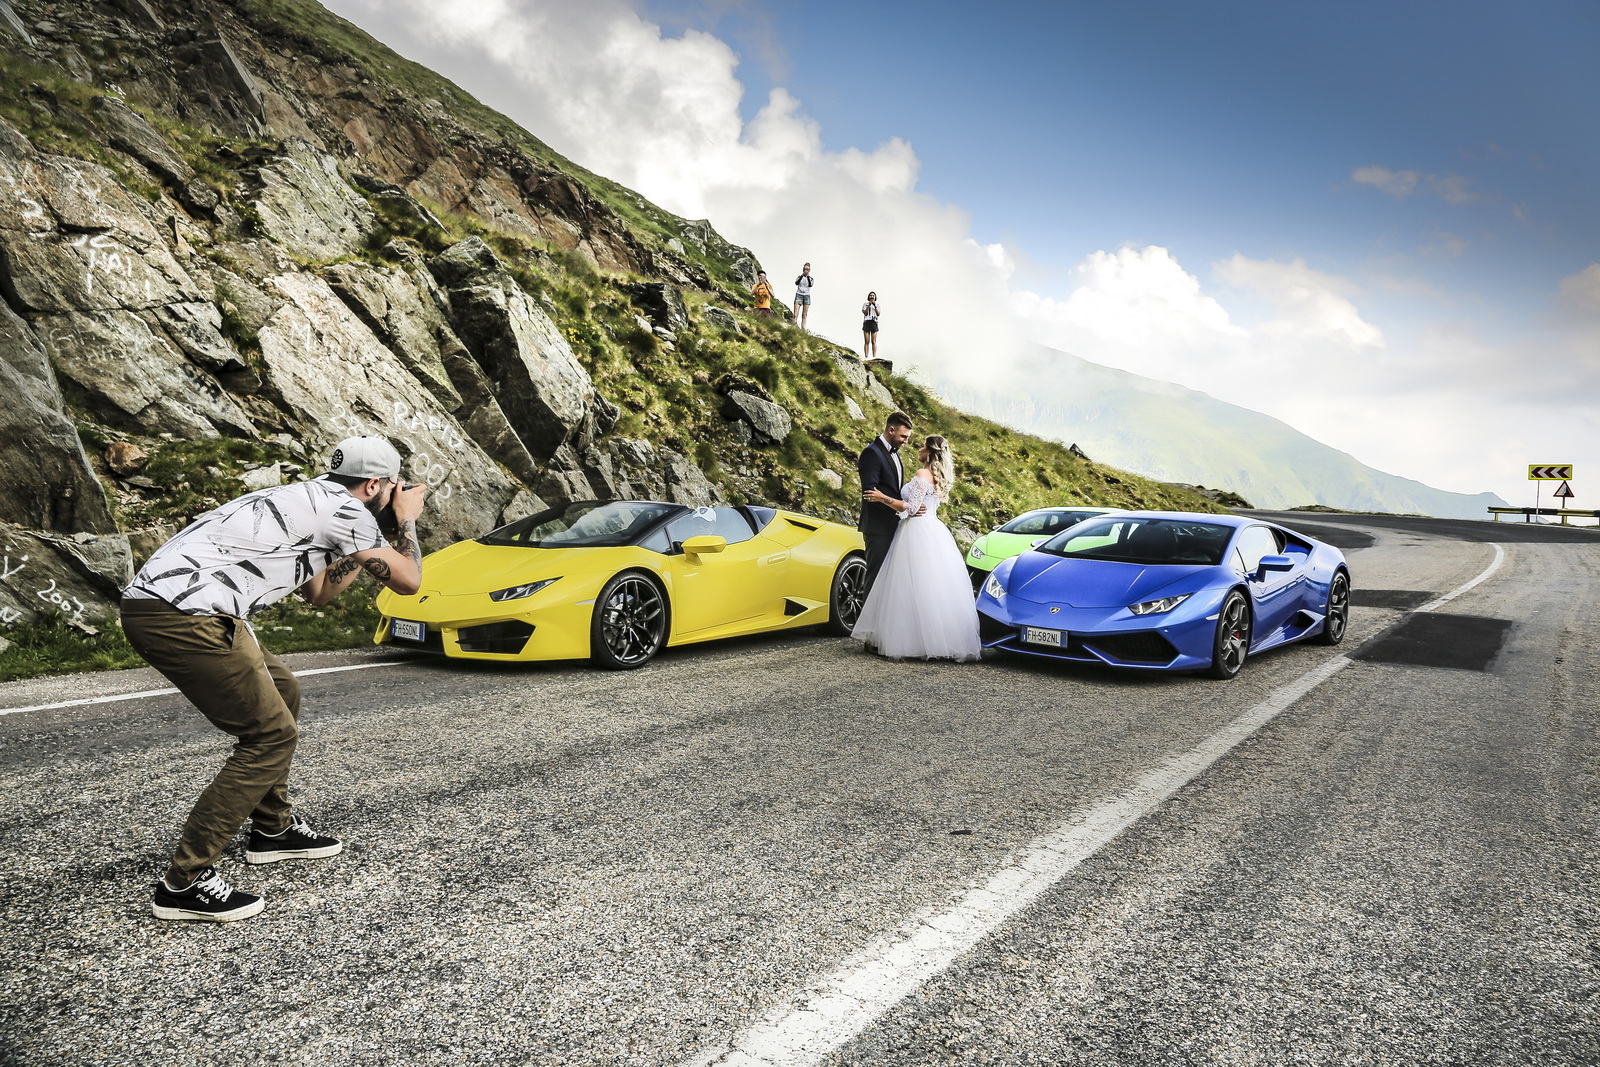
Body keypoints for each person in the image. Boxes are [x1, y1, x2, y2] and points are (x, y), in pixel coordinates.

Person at [121, 437, 426, 922]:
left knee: (285, 689)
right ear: (374, 485)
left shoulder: (308, 498)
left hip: (169, 605)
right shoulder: (347, 510)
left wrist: (366, 543)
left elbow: (318, 592)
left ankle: (272, 829)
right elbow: (409, 581)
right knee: (270, 735)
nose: (396, 494)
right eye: (393, 486)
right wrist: (406, 519)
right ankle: (184, 883)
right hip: (185, 615)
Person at [852, 434, 981, 661]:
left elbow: (912, 508)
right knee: (928, 585)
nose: (919, 449)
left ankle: (908, 640)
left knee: (907, 585)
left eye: (923, 446)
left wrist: (882, 497)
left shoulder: (922, 474)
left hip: (916, 529)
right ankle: (929, 640)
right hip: (932, 529)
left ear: (929, 453)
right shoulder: (937, 477)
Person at [857, 411, 916, 590]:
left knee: (887, 581)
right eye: (903, 436)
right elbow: (870, 493)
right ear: (891, 430)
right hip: (878, 528)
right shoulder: (871, 453)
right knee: (874, 579)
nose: (906, 441)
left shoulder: (895, 454)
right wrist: (899, 507)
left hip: (893, 526)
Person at [792, 263, 815, 329]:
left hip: (806, 296)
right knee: (795, 314)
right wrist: (802, 275)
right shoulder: (799, 277)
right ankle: (793, 326)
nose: (806, 270)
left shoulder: (811, 279)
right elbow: (796, 283)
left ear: (809, 270)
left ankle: (803, 328)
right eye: (805, 269)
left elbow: (810, 285)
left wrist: (807, 276)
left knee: (804, 314)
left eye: (807, 269)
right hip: (799, 294)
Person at [861, 291, 881, 358]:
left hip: (874, 322)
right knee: (867, 341)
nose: (872, 296)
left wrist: (875, 305)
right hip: (867, 321)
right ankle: (866, 356)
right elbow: (865, 313)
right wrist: (869, 305)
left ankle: (874, 356)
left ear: (875, 297)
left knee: (873, 341)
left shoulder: (877, 305)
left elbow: (878, 314)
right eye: (870, 295)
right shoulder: (865, 304)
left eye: (873, 295)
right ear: (869, 297)